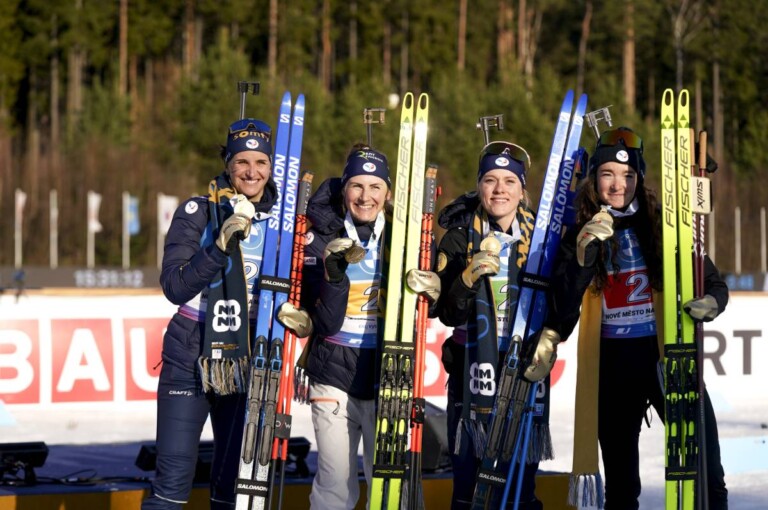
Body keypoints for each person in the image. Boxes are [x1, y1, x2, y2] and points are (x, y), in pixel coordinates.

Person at [539, 127, 729, 509]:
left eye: (628, 175)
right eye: (607, 173)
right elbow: (563, 312)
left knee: (706, 468)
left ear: (640, 177)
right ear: (594, 178)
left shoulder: (664, 225)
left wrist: (711, 301)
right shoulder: (579, 232)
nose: (618, 184)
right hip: (613, 365)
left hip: (665, 356)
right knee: (622, 487)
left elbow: (712, 281)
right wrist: (583, 256)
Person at [143, 118, 311, 509]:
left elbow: (306, 281)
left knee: (234, 487)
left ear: (272, 167)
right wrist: (218, 247)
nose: (252, 172)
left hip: (249, 357)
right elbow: (175, 287)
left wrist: (304, 315)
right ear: (228, 165)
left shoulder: (285, 224)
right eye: (242, 163)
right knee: (171, 484)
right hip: (190, 353)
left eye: (261, 162)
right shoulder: (199, 211)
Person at [297, 145, 440, 509]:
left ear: (388, 192)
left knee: (390, 487)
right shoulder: (318, 236)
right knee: (334, 487)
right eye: (357, 186)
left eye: (375, 187)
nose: (365, 196)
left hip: (389, 371)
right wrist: (332, 275)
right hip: (333, 372)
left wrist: (434, 291)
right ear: (344, 188)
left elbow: (428, 308)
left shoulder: (406, 237)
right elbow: (325, 323)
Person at [435, 141, 548, 510]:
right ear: (479, 186)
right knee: (469, 486)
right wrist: (466, 279)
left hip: (524, 368)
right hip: (472, 368)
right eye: (490, 180)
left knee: (519, 485)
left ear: (522, 189)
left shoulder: (541, 238)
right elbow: (447, 314)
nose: (499, 189)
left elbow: (561, 304)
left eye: (509, 181)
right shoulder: (459, 237)